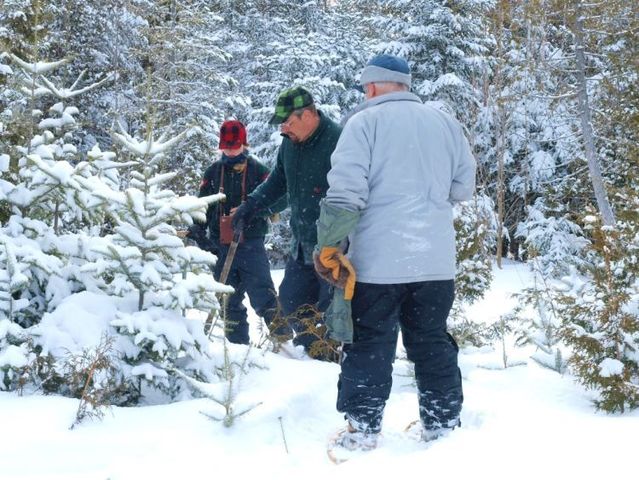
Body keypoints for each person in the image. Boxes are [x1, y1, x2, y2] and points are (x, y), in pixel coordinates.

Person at [314, 54, 476, 450]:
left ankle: (364, 431)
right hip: (435, 264)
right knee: (432, 341)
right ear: (405, 84)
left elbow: (346, 193)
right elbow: (463, 187)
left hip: (378, 267)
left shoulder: (364, 123)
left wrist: (328, 246)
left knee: (370, 344)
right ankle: (440, 428)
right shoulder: (444, 122)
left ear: (371, 87)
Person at [232, 87, 342, 358]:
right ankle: (313, 354)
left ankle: (331, 360)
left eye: (288, 122)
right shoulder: (289, 145)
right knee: (292, 301)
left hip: (335, 246)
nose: (283, 129)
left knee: (333, 310)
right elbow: (277, 183)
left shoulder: (339, 141)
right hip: (303, 245)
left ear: (309, 115)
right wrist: (250, 207)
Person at [188, 120, 290, 345]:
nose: (230, 150)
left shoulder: (259, 171)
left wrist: (254, 211)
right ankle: (237, 348)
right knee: (227, 300)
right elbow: (202, 203)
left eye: (235, 145)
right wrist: (197, 226)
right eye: (227, 145)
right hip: (220, 244)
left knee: (264, 295)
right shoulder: (213, 172)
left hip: (251, 244)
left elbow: (281, 198)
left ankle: (285, 344)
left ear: (244, 144)